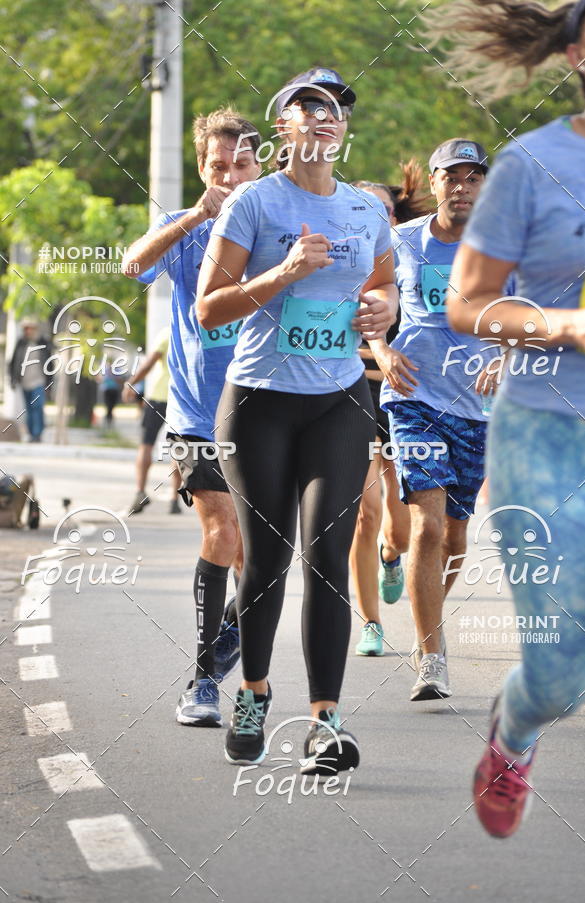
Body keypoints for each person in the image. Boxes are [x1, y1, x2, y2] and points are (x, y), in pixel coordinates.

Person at [197, 67, 398, 773]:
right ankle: (253, 693)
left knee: (329, 558)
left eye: (334, 110)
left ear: (344, 129)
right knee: (269, 562)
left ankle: (325, 723)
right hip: (258, 402)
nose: (323, 120)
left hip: (340, 401)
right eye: (306, 110)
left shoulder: (364, 210)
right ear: (280, 127)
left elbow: (383, 285)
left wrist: (384, 312)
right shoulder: (253, 203)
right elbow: (208, 308)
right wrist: (280, 275)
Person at [437, 0, 585, 838]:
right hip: (548, 430)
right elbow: (465, 304)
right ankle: (518, 724)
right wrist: (566, 325)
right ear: (579, 51)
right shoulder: (535, 166)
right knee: (563, 670)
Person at [122, 108, 262, 726]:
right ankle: (206, 681)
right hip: (200, 412)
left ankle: (234, 661)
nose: (228, 177)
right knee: (224, 534)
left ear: (260, 165)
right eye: (216, 166)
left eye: (240, 165)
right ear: (201, 168)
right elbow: (133, 264)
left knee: (263, 558)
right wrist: (198, 214)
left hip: (276, 408)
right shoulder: (184, 227)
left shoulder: (284, 223)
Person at [376, 138, 498, 701]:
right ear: (436, 180)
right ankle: (432, 657)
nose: (463, 187)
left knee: (454, 534)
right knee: (426, 524)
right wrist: (381, 351)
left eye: (474, 177)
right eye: (453, 176)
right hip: (414, 400)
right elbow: (363, 297)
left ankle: (430, 617)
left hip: (476, 406)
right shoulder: (400, 241)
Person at [349, 167, 430, 657]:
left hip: (399, 397)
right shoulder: (333, 260)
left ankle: (390, 556)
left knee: (398, 528)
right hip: (345, 395)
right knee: (364, 511)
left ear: (395, 218)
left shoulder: (412, 263)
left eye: (381, 209)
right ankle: (371, 623)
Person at [123, 326, 182, 515]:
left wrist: (131, 382)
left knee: (146, 445)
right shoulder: (194, 331)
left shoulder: (167, 333)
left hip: (157, 396)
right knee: (177, 449)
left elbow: (148, 364)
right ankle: (174, 498)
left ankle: (140, 491)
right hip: (180, 398)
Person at [8, 318, 51, 442]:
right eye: (25, 328)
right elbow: (13, 362)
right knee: (29, 408)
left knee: (37, 406)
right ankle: (32, 434)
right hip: (24, 382)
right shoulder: (21, 343)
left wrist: (49, 384)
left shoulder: (42, 343)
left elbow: (50, 365)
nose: (27, 331)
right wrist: (13, 379)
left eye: (30, 328)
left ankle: (38, 433)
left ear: (35, 329)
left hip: (39, 381)